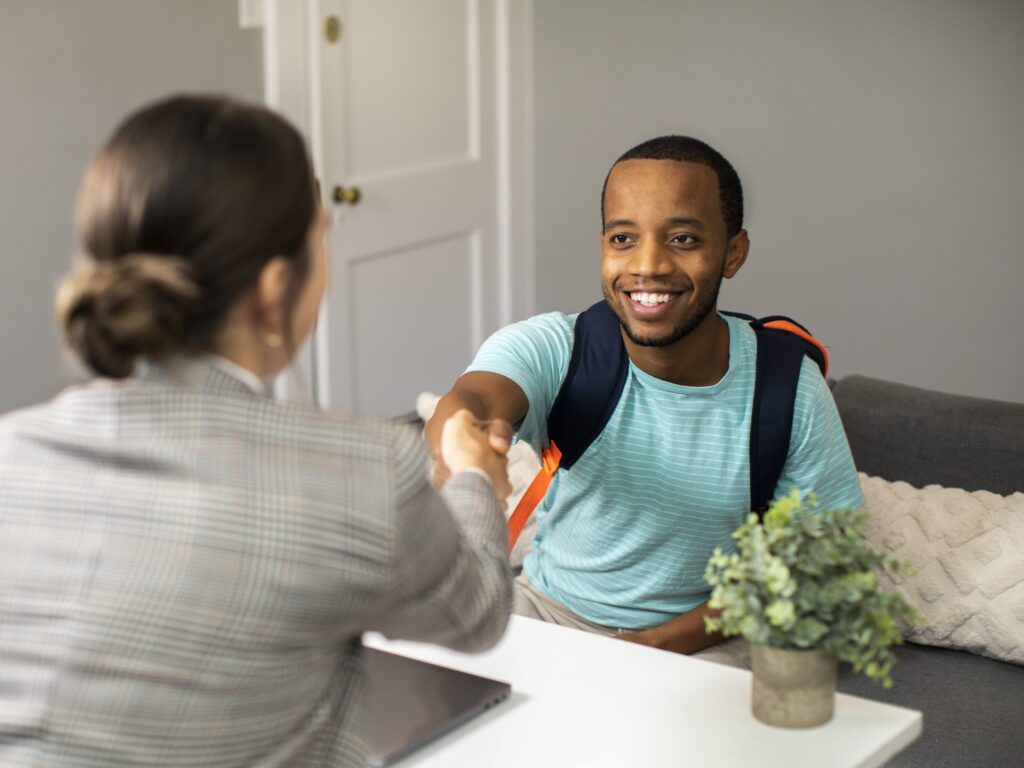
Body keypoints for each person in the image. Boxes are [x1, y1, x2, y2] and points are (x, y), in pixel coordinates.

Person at [0, 95, 513, 767]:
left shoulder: (11, 452)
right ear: (273, 289)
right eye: (322, 235)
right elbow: (477, 614)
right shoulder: (365, 474)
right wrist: (473, 477)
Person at [425, 135, 863, 667]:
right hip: (547, 613)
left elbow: (822, 561)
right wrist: (463, 435)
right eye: (623, 238)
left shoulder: (788, 389)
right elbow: (472, 397)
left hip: (700, 641)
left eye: (682, 239)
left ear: (733, 253)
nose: (648, 265)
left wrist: (654, 647)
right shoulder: (557, 347)